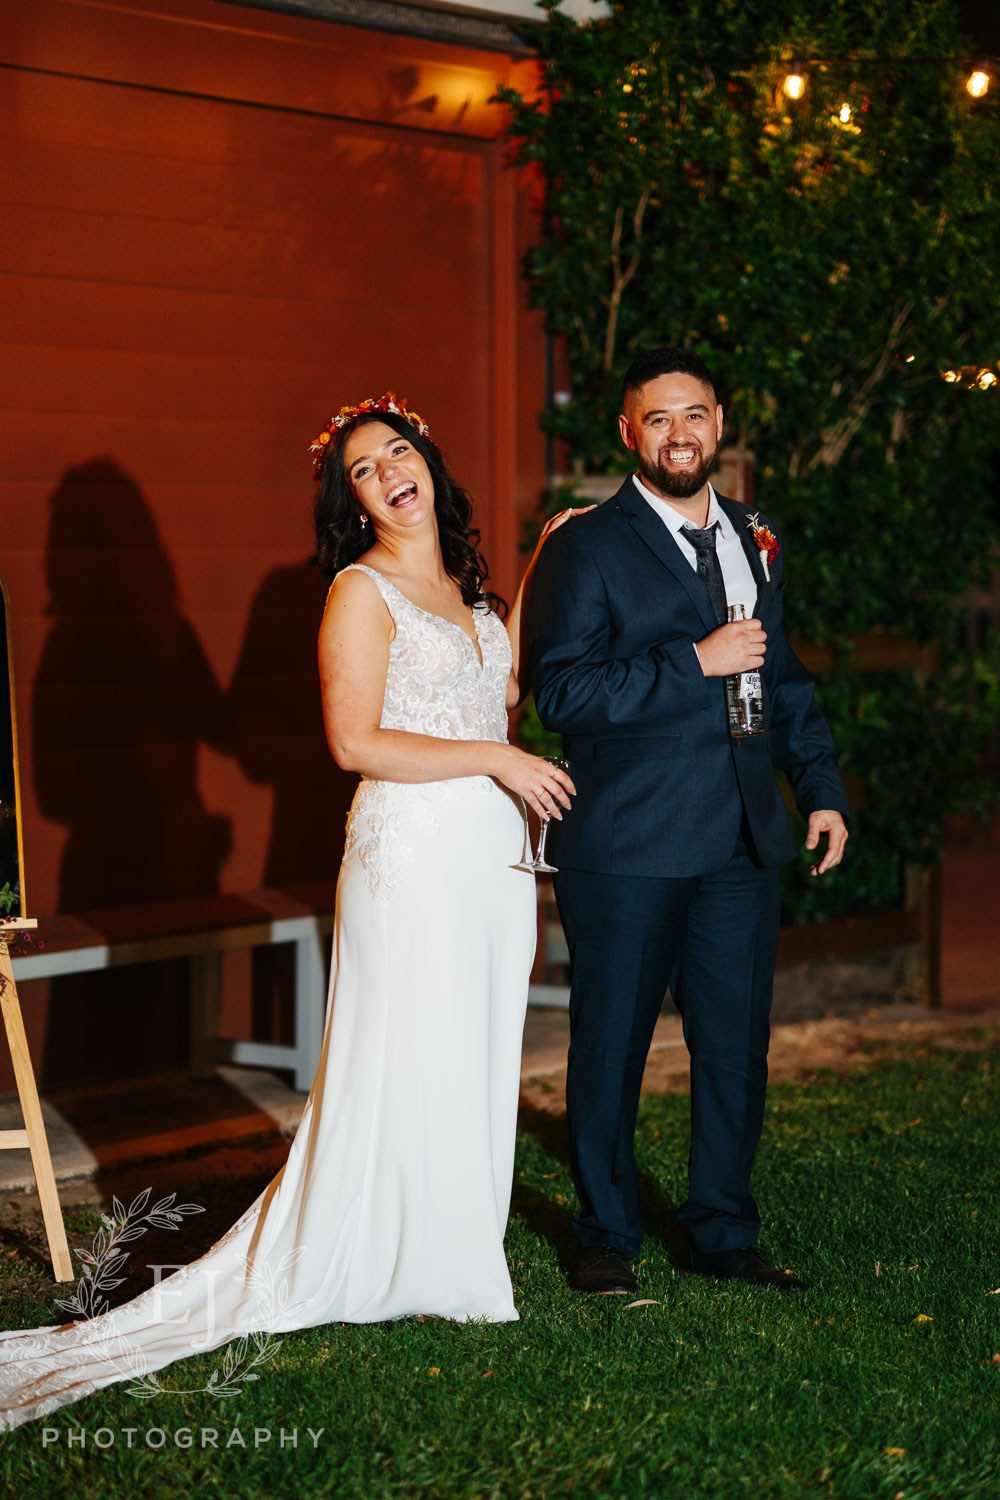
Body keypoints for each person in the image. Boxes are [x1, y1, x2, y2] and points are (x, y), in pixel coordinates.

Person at [0, 392, 575, 1430]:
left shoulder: (465, 592)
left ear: (430, 464)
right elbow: (354, 742)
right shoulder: (359, 590)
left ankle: (447, 1249)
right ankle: (390, 1252)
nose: (388, 473)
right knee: (407, 1054)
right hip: (410, 855)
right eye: (363, 470)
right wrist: (498, 760)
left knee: (473, 1051)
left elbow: (498, 695)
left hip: (489, 863)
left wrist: (539, 564)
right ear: (352, 504)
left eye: (397, 452)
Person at [528, 348, 849, 1296]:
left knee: (734, 1048)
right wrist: (694, 663)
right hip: (629, 842)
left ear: (719, 423)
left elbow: (781, 677)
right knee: (612, 1045)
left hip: (742, 840)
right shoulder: (586, 544)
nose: (680, 434)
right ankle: (606, 1234)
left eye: (695, 415)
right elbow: (563, 692)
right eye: (659, 418)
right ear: (629, 432)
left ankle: (721, 1229)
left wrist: (820, 786)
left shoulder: (754, 533)